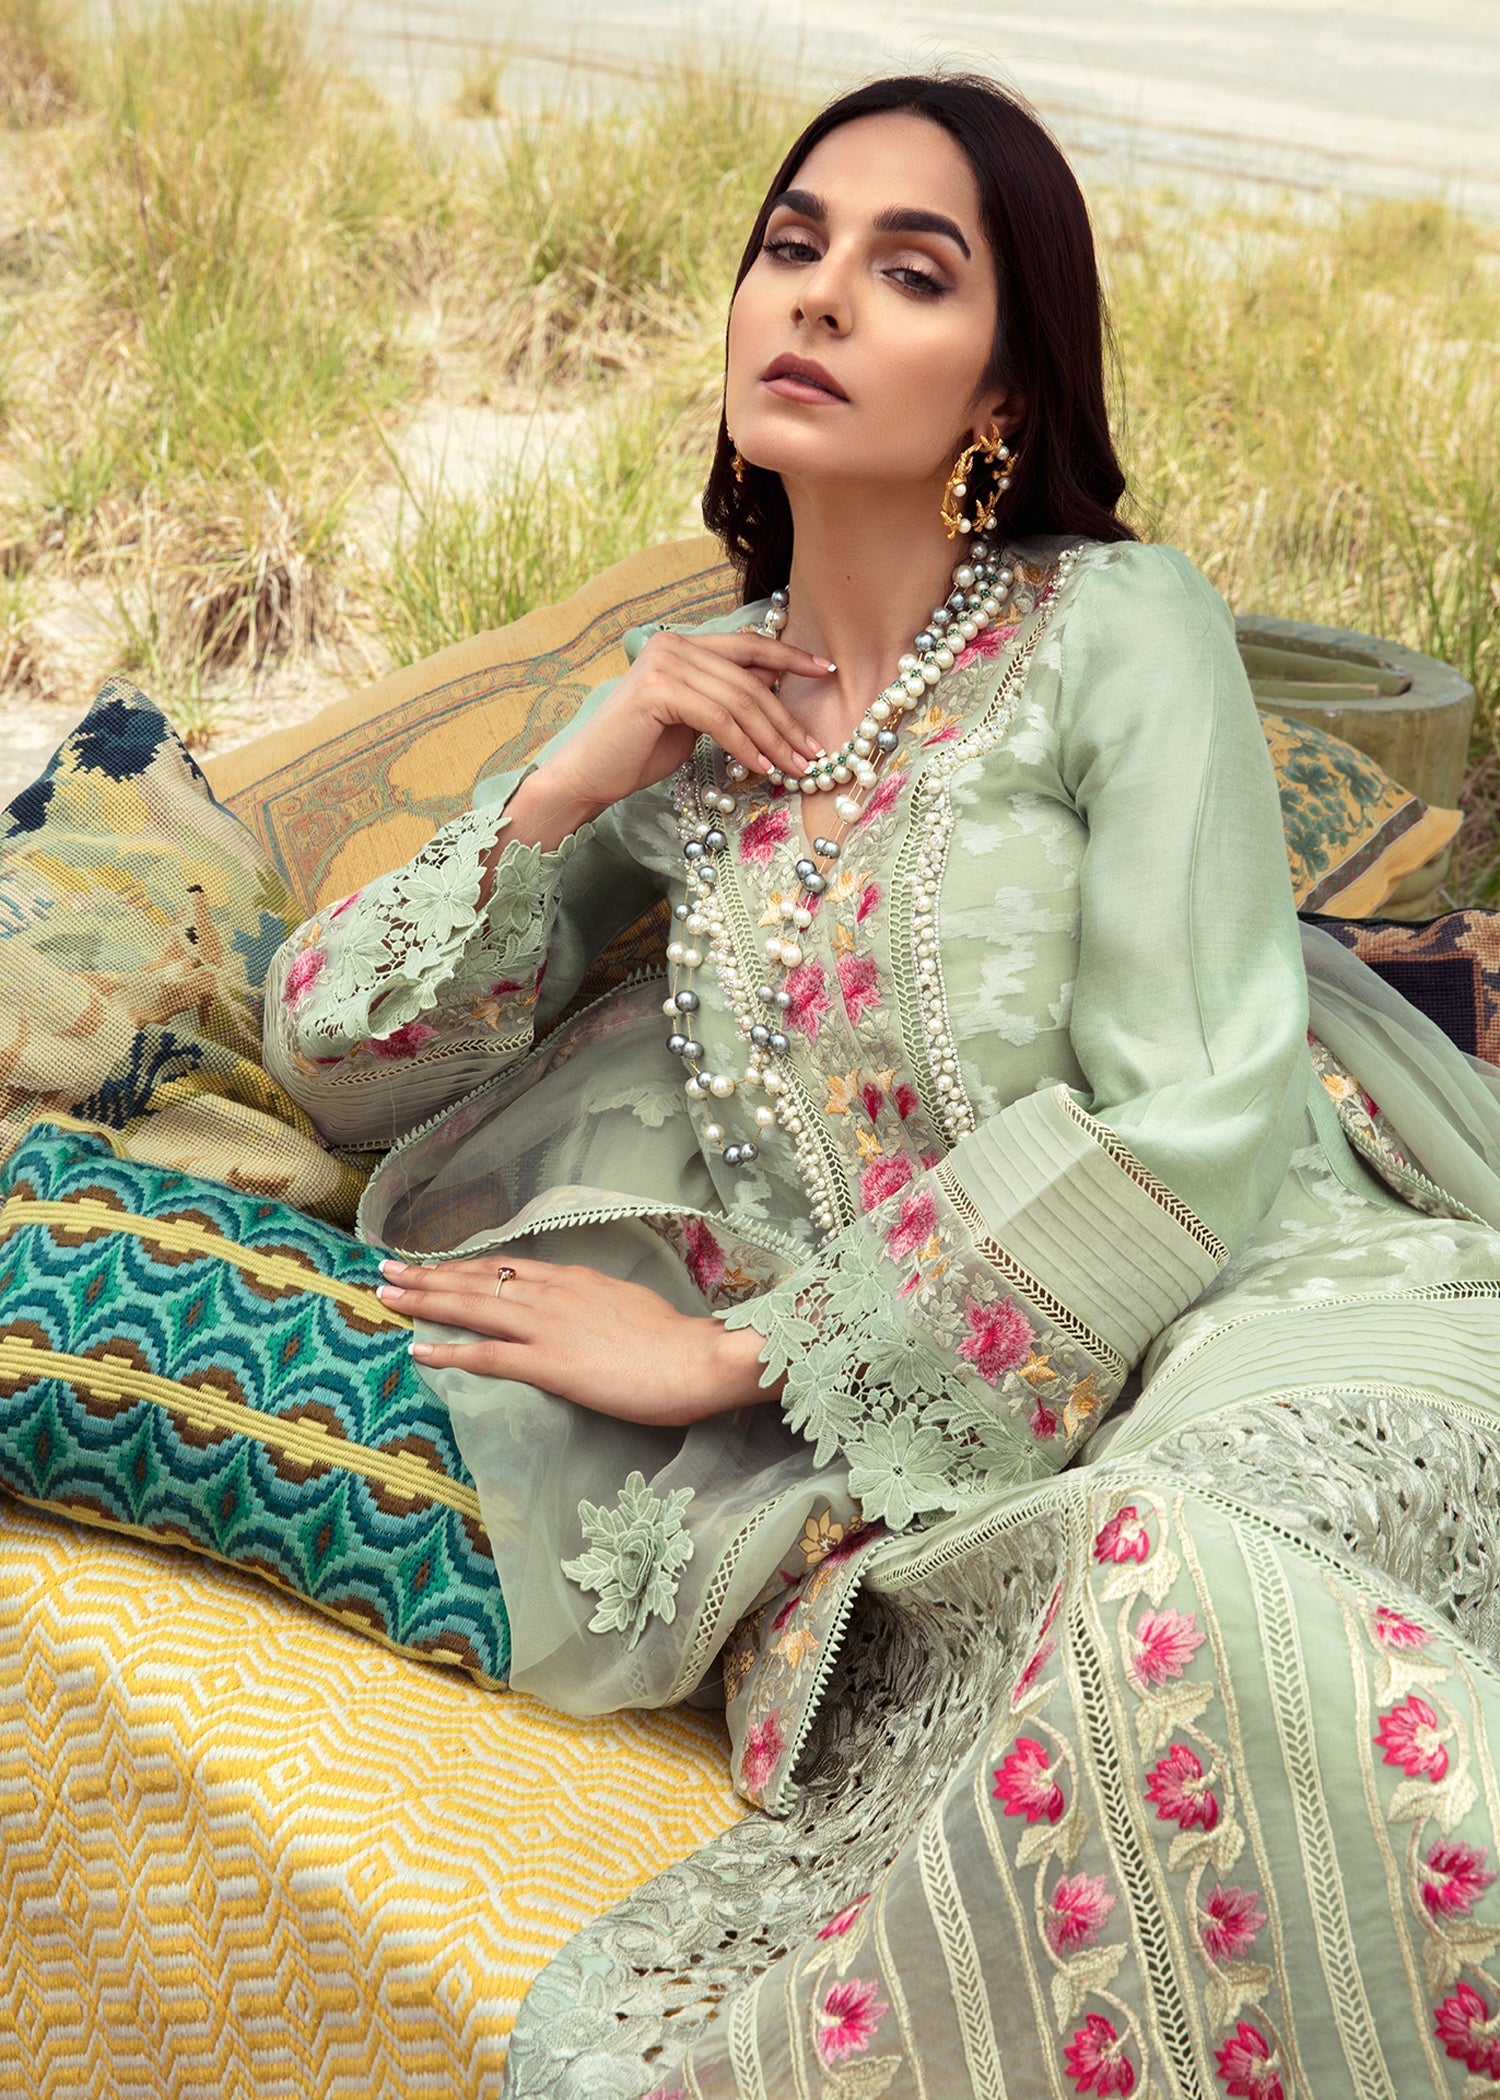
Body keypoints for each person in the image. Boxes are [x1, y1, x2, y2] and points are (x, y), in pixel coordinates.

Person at [264, 74, 1500, 2100]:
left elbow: (1198, 1112)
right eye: (792, 245)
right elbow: (337, 1066)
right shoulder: (693, 719)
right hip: (947, 1449)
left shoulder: (1115, 627)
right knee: (1076, 1623)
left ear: (1003, 388)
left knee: (1200, 1586)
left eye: (912, 272)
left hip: (1258, 1305)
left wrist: (741, 1356)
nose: (821, 297)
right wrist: (576, 774)